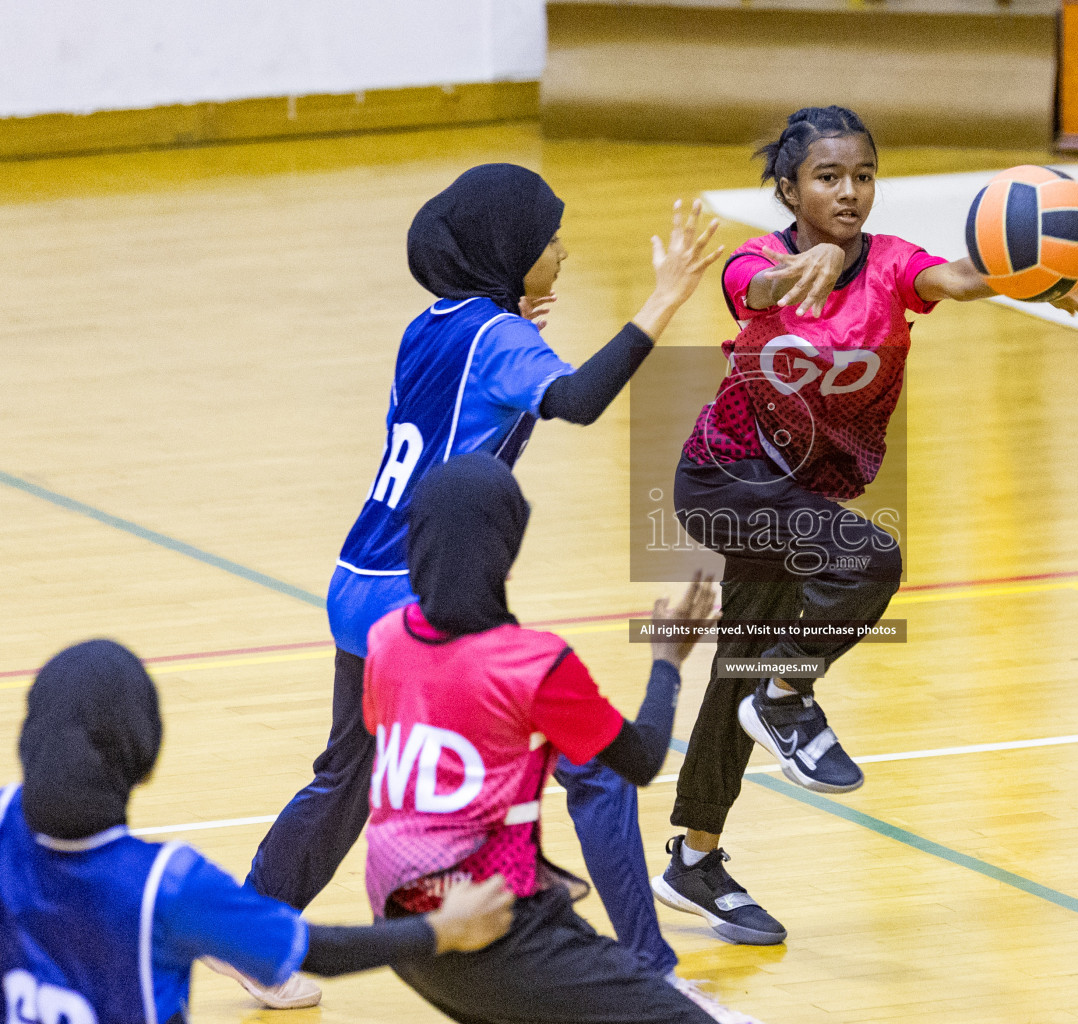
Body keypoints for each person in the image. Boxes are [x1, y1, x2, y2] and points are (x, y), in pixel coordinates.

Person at [236, 163, 724, 1008]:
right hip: (420, 592)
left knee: (345, 778)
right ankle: (652, 968)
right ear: (508, 253)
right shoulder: (502, 342)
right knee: (597, 769)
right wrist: (663, 301)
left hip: (361, 573)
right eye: (547, 240)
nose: (562, 251)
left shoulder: (434, 325)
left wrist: (515, 328)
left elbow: (481, 407)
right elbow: (573, 400)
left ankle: (257, 935)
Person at [653, 105, 1078, 945]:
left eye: (863, 175)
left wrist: (1038, 271)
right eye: (828, 177)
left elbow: (958, 280)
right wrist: (812, 268)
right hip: (725, 480)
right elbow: (752, 291)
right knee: (869, 561)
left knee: (737, 673)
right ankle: (788, 693)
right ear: (790, 189)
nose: (850, 191)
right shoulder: (760, 262)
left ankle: (695, 858)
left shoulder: (895, 264)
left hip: (794, 502)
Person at [363, 453, 750, 1024]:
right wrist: (668, 660)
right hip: (491, 926)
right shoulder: (531, 664)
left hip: (404, 928)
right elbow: (639, 760)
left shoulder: (385, 638)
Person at [0, 638, 515, 1024]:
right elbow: (322, 952)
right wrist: (443, 930)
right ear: (144, 754)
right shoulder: (168, 885)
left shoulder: (5, 821)